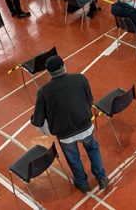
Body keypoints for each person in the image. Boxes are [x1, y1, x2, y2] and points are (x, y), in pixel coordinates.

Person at [31, 55, 109, 193]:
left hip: (65, 134)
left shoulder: (43, 91)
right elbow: (90, 100)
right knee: (93, 149)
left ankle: (82, 183)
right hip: (85, 126)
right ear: (63, 66)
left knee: (73, 158)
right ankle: (101, 177)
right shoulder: (80, 78)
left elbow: (37, 120)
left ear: (48, 72)